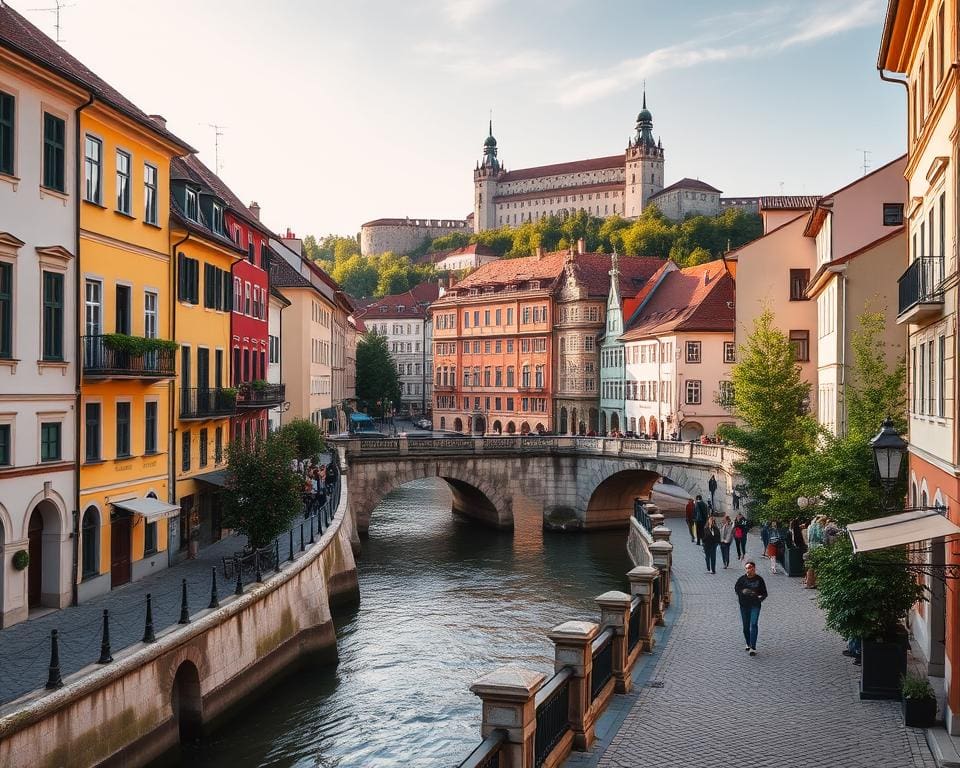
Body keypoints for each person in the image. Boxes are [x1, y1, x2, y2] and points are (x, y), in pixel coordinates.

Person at [734, 558, 768, 656]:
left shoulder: (759, 580)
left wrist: (761, 597)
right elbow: (736, 589)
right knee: (745, 626)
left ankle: (753, 647)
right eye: (747, 568)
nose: (749, 570)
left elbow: (764, 593)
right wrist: (742, 592)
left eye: (751, 568)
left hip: (755, 605)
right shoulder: (741, 579)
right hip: (744, 605)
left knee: (753, 624)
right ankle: (748, 643)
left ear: (754, 569)